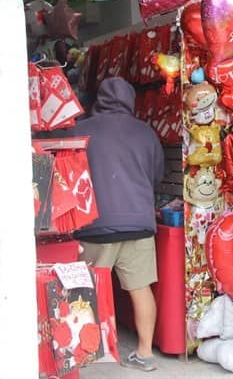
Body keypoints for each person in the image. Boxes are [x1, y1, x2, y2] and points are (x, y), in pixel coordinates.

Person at [65, 77, 164, 372]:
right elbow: (157, 176)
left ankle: (80, 352)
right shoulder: (146, 134)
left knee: (84, 289)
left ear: (100, 100)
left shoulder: (80, 131)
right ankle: (145, 353)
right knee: (140, 288)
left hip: (96, 225)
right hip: (139, 224)